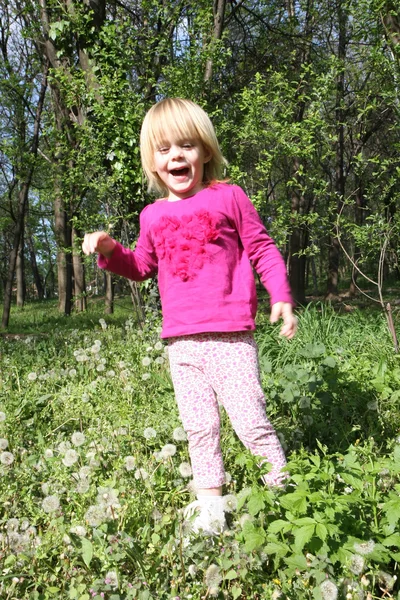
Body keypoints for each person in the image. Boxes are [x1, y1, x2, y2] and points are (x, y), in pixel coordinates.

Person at [82, 98, 297, 536]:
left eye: (186, 145)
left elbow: (262, 248)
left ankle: (283, 494)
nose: (176, 156)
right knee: (199, 426)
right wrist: (110, 251)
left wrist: (281, 294)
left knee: (250, 418)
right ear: (153, 162)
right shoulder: (152, 215)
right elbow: (141, 265)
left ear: (205, 152)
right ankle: (211, 508)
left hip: (230, 337)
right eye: (164, 149)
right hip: (181, 341)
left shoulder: (229, 197)